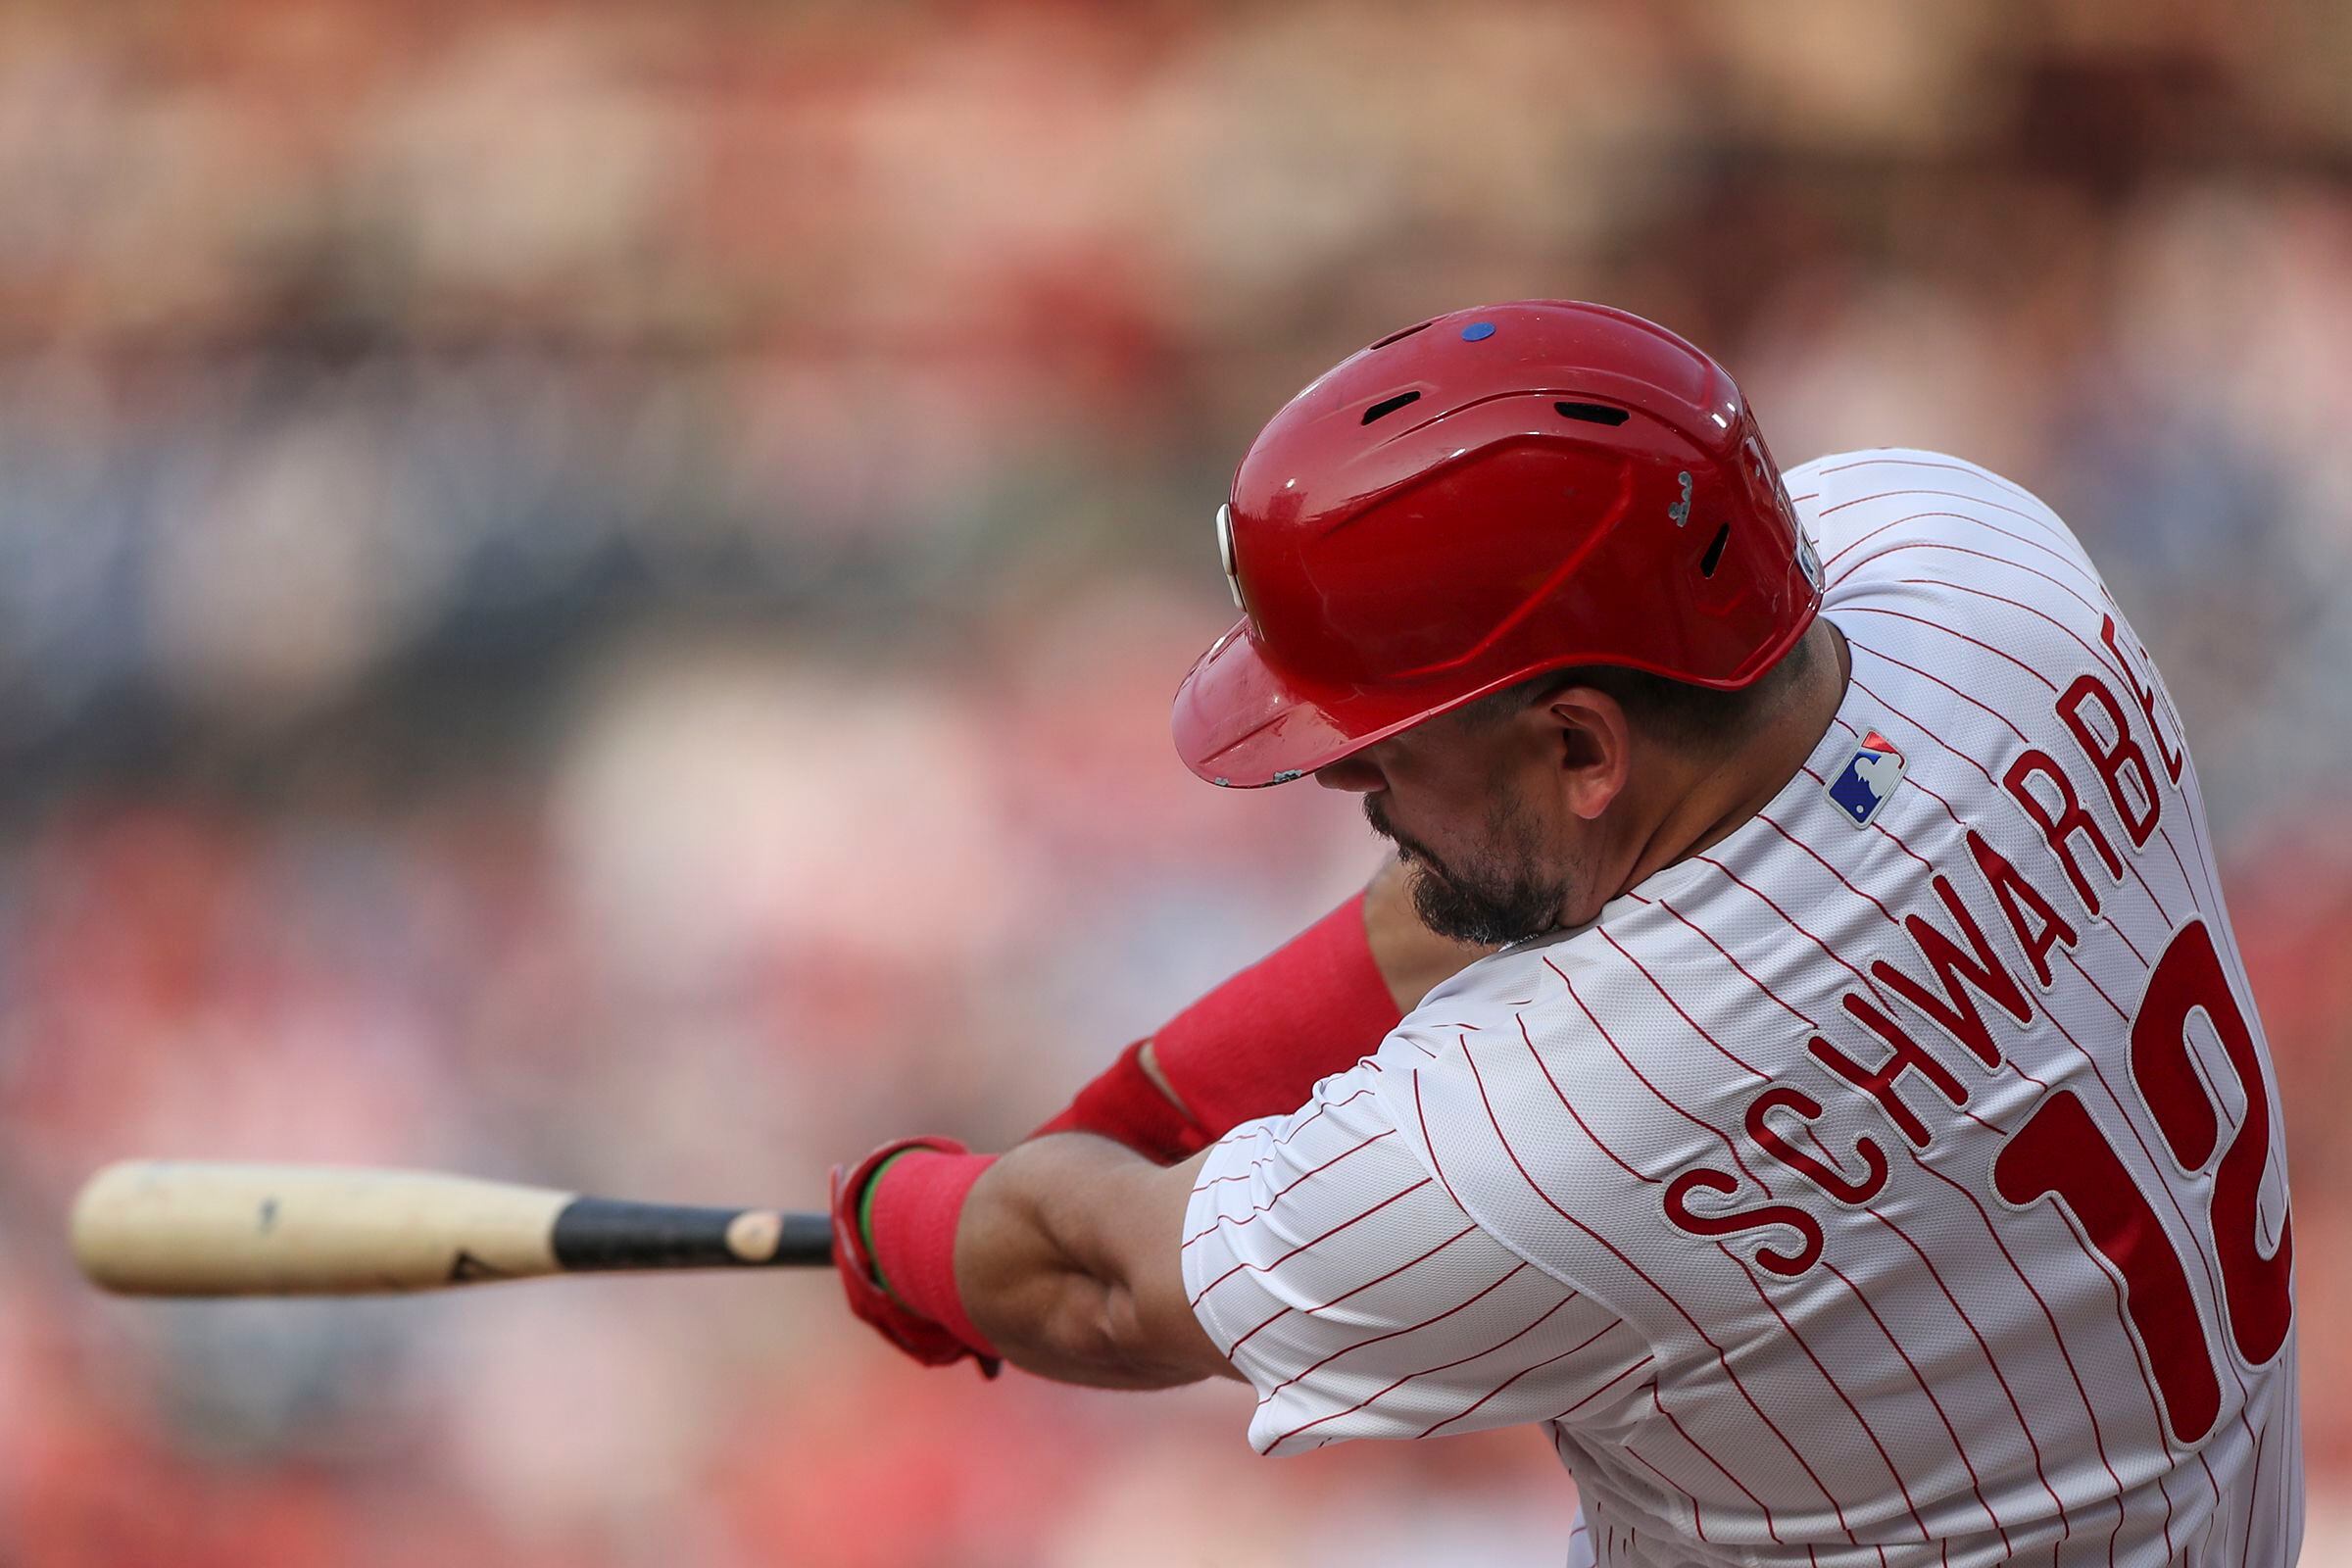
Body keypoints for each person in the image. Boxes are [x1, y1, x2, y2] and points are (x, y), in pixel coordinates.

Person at [829, 301, 2302, 1566]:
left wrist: (905, 1222)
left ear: (1585, 747)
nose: (1343, 781)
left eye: (1382, 746)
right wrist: (1157, 1101)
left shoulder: (1546, 1140)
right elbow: (1517, 863)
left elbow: (1095, 1289)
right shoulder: (1981, 560)